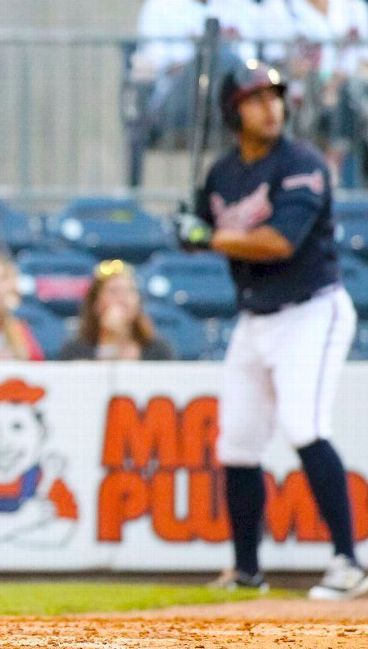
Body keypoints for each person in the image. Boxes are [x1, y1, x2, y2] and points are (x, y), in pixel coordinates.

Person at [174, 62, 366, 599]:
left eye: (276, 97)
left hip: (312, 310)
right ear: (235, 110)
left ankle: (348, 563)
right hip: (256, 316)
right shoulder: (222, 174)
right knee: (236, 442)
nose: (271, 107)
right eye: (257, 98)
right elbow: (205, 231)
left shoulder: (301, 163)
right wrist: (187, 232)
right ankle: (246, 570)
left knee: (303, 426)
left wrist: (207, 237)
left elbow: (281, 241)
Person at [131, 0, 260, 159]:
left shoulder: (241, 5)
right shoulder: (161, 5)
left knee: (234, 65)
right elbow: (158, 64)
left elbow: (250, 64)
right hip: (176, 104)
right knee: (218, 58)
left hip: (228, 102)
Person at [258, 0, 368, 184]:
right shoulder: (277, 7)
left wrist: (341, 81)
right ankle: (331, 167)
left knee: (353, 92)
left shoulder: (353, 7)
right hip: (302, 103)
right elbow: (282, 65)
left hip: (352, 98)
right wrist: (327, 79)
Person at [58, 259, 175, 361]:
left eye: (130, 290)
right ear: (96, 304)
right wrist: (110, 339)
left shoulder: (157, 349)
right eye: (113, 291)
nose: (123, 298)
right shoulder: (75, 349)